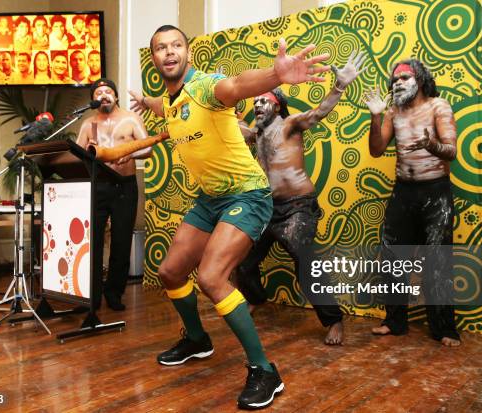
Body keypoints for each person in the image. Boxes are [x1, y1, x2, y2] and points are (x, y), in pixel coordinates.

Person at [129, 25, 330, 409]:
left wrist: (276, 76)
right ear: (154, 58)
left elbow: (236, 85)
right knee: (170, 272)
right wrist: (147, 103)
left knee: (211, 277)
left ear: (187, 53)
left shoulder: (207, 86)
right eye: (160, 48)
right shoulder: (172, 101)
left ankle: (265, 370)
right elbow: (166, 106)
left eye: (176, 45)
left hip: (247, 194)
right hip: (211, 199)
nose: (169, 52)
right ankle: (197, 339)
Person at [234, 51, 366, 346]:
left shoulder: (290, 125)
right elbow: (234, 127)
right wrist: (223, 103)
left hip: (298, 207)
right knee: (243, 260)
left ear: (277, 104)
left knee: (304, 263)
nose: (257, 104)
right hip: (268, 207)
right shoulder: (256, 133)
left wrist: (340, 86)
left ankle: (333, 321)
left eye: (263, 100)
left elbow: (318, 112)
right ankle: (256, 297)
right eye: (255, 101)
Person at [363, 59, 461, 347]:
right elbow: (377, 150)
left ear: (420, 79)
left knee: (437, 261)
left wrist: (430, 146)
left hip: (435, 193)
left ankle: (444, 329)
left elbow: (451, 151)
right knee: (393, 259)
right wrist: (376, 116)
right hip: (403, 192)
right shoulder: (394, 112)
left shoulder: (438, 106)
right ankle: (395, 322)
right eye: (395, 80)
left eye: (405, 77)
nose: (398, 83)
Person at [76, 79, 153, 311]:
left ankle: (114, 293)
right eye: (99, 92)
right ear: (93, 99)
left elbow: (147, 147)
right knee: (93, 242)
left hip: (124, 185)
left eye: (108, 91)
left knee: (121, 240)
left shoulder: (130, 118)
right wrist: (87, 153)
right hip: (97, 186)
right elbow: (77, 155)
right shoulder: (88, 123)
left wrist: (130, 154)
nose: (104, 95)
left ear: (116, 97)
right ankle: (93, 293)